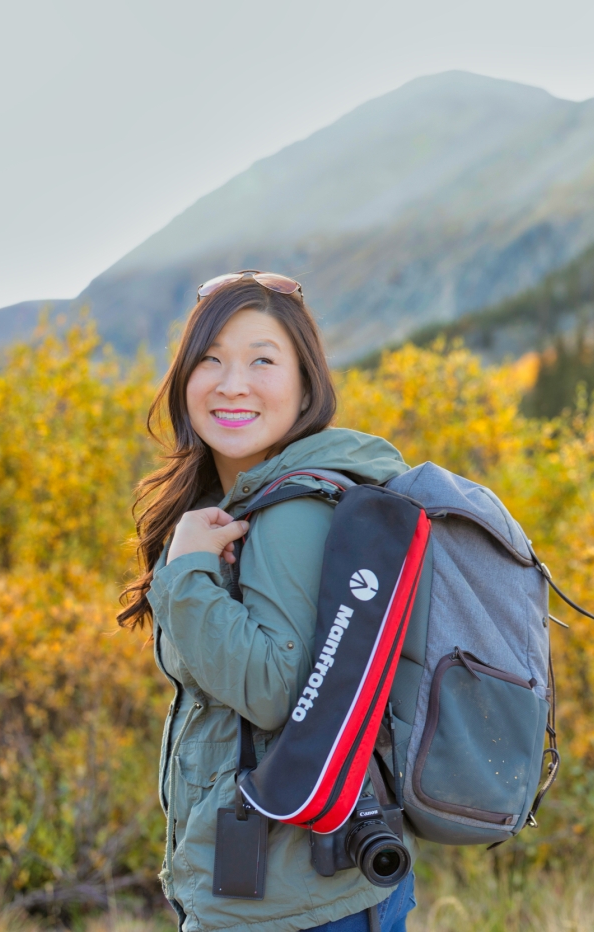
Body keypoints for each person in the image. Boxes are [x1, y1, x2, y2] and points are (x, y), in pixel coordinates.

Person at [119, 271, 417, 932]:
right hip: (288, 888)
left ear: (306, 383)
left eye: (262, 360)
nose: (232, 383)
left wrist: (190, 571)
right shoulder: (243, 503)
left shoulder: (293, 512)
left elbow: (277, 688)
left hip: (296, 903)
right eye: (211, 359)